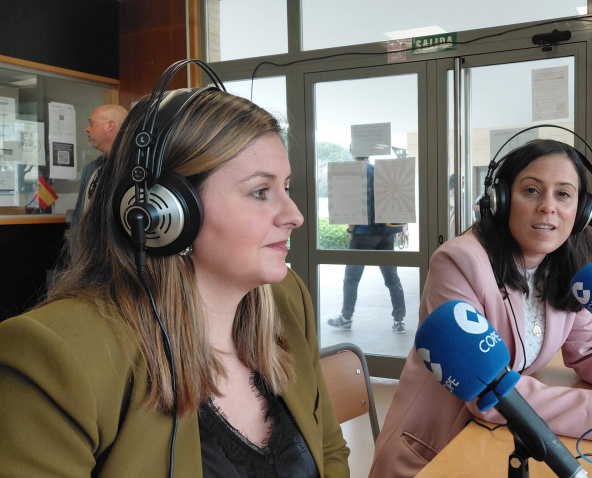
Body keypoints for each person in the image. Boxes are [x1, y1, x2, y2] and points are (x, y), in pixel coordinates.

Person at [0, 83, 350, 477]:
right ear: (163, 212)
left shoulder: (285, 299)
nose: (294, 215)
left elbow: (329, 449)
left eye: (285, 188)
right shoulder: (55, 355)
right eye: (259, 192)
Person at [369, 139, 592, 477]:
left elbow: (590, 352)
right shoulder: (460, 262)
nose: (548, 207)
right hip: (435, 454)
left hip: (499, 442)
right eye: (531, 191)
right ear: (501, 200)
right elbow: (488, 391)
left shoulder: (562, 266)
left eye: (564, 194)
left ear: (582, 212)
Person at [326, 155, 407, 333]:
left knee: (351, 278)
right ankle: (399, 320)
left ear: (354, 155)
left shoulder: (354, 173)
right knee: (392, 278)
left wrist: (351, 231)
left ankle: (346, 318)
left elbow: (352, 207)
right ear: (368, 155)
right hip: (386, 233)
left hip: (363, 233)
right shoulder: (382, 171)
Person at [70, 103, 128, 229]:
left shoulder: (135, 168)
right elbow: (78, 218)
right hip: (88, 247)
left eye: (91, 123)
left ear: (110, 126)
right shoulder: (91, 170)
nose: (87, 129)